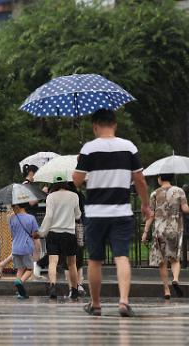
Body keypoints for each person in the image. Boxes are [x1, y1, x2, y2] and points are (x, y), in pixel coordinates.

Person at [73, 109, 152, 317]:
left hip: (96, 213)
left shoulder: (89, 149)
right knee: (122, 256)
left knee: (95, 260)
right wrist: (145, 204)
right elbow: (140, 180)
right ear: (114, 124)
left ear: (95, 126)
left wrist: (80, 162)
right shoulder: (129, 147)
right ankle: (124, 302)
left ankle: (96, 304)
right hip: (121, 211)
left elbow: (76, 181)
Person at [142, 174, 189, 299]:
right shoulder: (179, 191)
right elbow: (185, 209)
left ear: (160, 179)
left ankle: (166, 290)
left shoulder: (154, 193)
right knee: (175, 258)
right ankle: (175, 278)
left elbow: (151, 215)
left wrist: (145, 232)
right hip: (175, 228)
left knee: (162, 261)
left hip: (159, 230)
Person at [0, 164, 44, 279]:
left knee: (26, 247)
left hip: (25, 219)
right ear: (31, 173)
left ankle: (3, 265)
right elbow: (30, 203)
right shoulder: (26, 186)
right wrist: (42, 193)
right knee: (34, 245)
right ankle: (34, 271)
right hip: (27, 218)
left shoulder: (27, 186)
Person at [38, 173, 81, 300]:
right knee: (72, 264)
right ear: (65, 183)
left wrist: (42, 232)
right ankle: (74, 290)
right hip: (69, 233)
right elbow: (78, 215)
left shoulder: (50, 197)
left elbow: (49, 216)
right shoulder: (74, 196)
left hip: (54, 233)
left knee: (52, 262)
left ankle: (53, 287)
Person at [9, 203, 39, 299]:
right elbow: (35, 234)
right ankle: (20, 282)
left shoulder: (12, 218)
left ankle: (20, 293)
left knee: (20, 268)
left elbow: (12, 235)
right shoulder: (31, 218)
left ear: (17, 207)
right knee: (30, 269)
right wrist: (32, 235)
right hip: (26, 247)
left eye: (13, 207)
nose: (12, 209)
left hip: (15, 248)